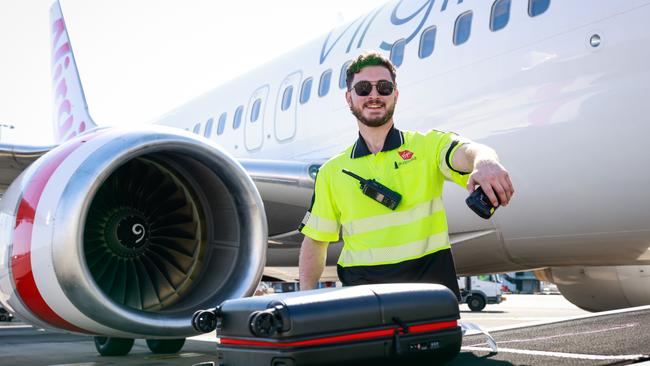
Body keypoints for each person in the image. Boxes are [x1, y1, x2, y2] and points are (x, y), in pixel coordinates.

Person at [298, 51, 514, 298]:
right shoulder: (332, 171)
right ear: (349, 98)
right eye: (363, 88)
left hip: (430, 291)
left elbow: (466, 151)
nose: (374, 95)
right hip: (363, 297)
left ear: (395, 95)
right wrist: (305, 298)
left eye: (384, 87)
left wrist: (485, 161)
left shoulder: (427, 145)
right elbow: (315, 241)